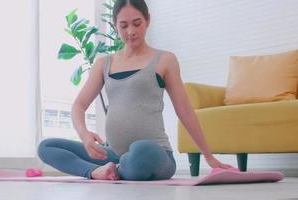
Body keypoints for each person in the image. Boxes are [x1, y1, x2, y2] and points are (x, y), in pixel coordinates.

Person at [38, 0, 232, 181]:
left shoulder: (165, 60)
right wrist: (85, 135)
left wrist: (209, 156)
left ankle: (116, 170)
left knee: (141, 151)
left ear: (148, 20)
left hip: (156, 155)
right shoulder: (103, 64)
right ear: (115, 26)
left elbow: (185, 112)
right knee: (46, 147)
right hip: (112, 154)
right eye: (124, 26)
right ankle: (97, 172)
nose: (131, 31)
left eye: (137, 23)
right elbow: (79, 106)